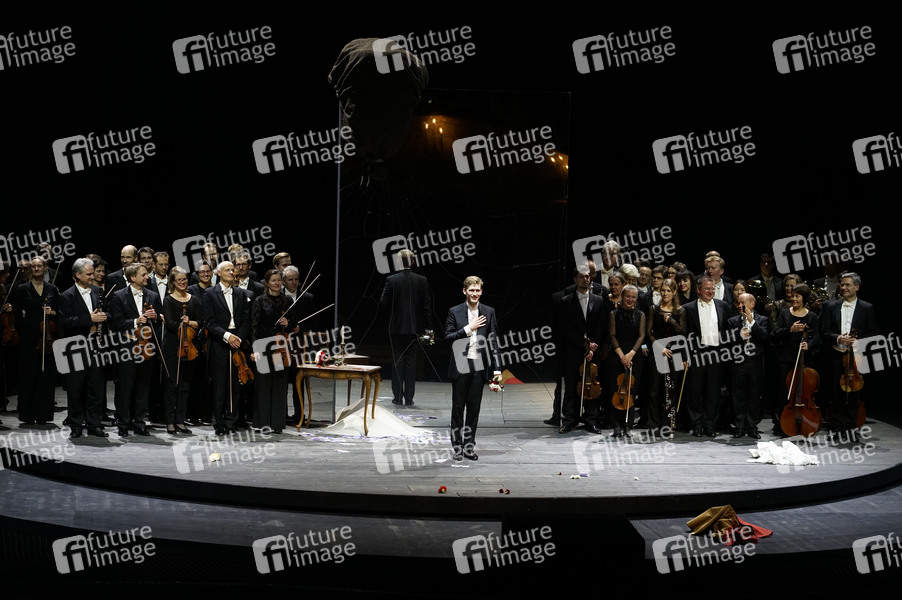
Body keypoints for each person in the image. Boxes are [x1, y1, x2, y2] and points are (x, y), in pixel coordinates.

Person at [444, 275, 502, 460]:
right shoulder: (454, 311)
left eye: (477, 290)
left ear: (481, 291)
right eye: (471, 290)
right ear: (465, 291)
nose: (475, 293)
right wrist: (468, 328)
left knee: (474, 409)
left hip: (479, 365)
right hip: (461, 364)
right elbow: (448, 337)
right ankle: (457, 447)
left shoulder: (489, 312)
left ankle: (469, 446)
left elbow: (493, 342)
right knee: (458, 409)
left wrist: (497, 369)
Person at [818, 272, 878, 442]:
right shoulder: (830, 306)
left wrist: (859, 341)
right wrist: (837, 338)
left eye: (847, 285)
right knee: (835, 393)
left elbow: (873, 333)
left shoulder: (867, 308)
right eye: (842, 284)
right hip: (836, 355)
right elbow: (823, 331)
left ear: (856, 287)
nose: (843, 287)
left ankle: (851, 428)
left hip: (857, 358)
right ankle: (836, 428)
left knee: (855, 393)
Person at [108, 262, 164, 436]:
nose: (147, 277)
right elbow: (116, 324)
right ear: (133, 278)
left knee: (143, 386)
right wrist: (135, 321)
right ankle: (123, 423)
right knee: (126, 387)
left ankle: (139, 422)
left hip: (146, 346)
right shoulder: (118, 296)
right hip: (127, 347)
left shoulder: (153, 296)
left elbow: (160, 321)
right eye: (143, 275)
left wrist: (156, 317)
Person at [57, 258, 110, 437]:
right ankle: (76, 425)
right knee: (76, 388)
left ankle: (94, 424)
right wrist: (89, 319)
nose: (92, 277)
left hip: (96, 345)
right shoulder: (67, 296)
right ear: (77, 275)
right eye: (88, 274)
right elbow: (65, 321)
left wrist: (103, 316)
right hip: (75, 347)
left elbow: (108, 312)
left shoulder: (98, 291)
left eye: (92, 273)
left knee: (96, 387)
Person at [203, 260, 251, 435]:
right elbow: (209, 323)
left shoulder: (240, 293)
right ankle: (220, 423)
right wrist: (227, 336)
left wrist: (238, 338)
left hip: (236, 341)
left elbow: (246, 320)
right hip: (220, 343)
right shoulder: (209, 294)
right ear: (219, 273)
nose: (232, 272)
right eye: (228, 270)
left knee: (235, 385)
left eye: (233, 269)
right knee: (220, 385)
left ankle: (231, 421)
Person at [557, 265, 607, 434]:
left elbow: (601, 325)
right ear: (575, 279)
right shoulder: (566, 301)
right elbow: (565, 328)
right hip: (573, 350)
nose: (586, 279)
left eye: (587, 276)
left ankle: (591, 421)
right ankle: (568, 421)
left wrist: (594, 346)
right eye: (581, 276)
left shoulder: (598, 300)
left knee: (591, 386)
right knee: (571, 386)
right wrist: (584, 344)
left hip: (593, 351)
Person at [381, 249, 432, 407]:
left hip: (396, 327)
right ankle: (409, 399)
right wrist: (429, 329)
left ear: (398, 262)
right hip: (415, 328)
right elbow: (427, 307)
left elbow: (383, 302)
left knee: (398, 360)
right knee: (411, 361)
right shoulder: (422, 280)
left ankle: (397, 398)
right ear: (413, 262)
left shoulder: (392, 279)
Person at [682, 275, 731, 437]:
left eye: (712, 288)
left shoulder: (723, 305)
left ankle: (710, 425)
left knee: (713, 392)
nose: (710, 291)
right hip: (697, 354)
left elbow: (727, 332)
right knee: (694, 391)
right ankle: (696, 425)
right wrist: (685, 356)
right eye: (707, 289)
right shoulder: (688, 308)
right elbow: (684, 335)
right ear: (698, 290)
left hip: (716, 354)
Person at [12, 256, 59, 426]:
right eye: (34, 266)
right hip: (28, 334)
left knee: (46, 374)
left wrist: (51, 312)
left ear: (45, 268)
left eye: (40, 266)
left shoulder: (52, 289)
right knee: (29, 374)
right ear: (31, 269)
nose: (37, 268)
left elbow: (59, 311)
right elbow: (17, 313)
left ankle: (43, 414)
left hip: (47, 335)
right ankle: (28, 414)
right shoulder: (22, 289)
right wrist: (22, 330)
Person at [772, 283, 821, 437]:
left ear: (804, 298)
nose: (794, 299)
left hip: (804, 359)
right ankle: (782, 423)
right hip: (785, 359)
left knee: (804, 392)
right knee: (784, 391)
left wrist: (809, 345)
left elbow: (816, 338)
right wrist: (790, 330)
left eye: (797, 296)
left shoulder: (811, 316)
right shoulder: (784, 314)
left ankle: (804, 421)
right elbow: (775, 333)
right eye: (792, 296)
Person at [161, 266, 203, 435]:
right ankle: (170, 421)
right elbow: (170, 324)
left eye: (184, 279)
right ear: (172, 282)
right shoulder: (168, 300)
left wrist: (190, 322)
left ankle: (180, 420)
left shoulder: (194, 300)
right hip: (173, 347)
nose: (182, 282)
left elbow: (201, 321)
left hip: (189, 347)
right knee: (172, 385)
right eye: (179, 280)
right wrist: (182, 323)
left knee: (185, 386)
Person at [250, 269, 293, 434]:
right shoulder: (260, 300)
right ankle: (263, 423)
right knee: (263, 386)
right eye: (273, 280)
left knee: (279, 386)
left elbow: (295, 322)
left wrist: (288, 323)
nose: (277, 283)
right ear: (267, 282)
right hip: (263, 347)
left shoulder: (287, 300)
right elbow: (254, 326)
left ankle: (277, 424)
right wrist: (254, 349)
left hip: (280, 347)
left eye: (279, 280)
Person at [725, 292, 769, 439]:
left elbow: (764, 337)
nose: (740, 306)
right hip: (738, 363)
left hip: (755, 363)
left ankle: (752, 426)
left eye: (743, 303)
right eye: (738, 303)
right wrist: (740, 335)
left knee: (754, 396)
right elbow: (729, 342)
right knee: (738, 396)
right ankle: (739, 426)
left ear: (752, 304)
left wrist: (752, 322)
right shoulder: (732, 321)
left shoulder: (762, 320)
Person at [645, 278, 685, 438]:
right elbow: (649, 332)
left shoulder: (680, 310)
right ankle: (653, 425)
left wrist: (672, 321)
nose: (665, 293)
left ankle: (668, 424)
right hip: (659, 352)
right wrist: (659, 347)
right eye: (663, 290)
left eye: (668, 290)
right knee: (655, 390)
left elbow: (682, 333)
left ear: (674, 292)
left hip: (675, 353)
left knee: (671, 390)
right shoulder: (654, 309)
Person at [607, 285, 646, 437]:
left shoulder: (640, 314)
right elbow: (612, 336)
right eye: (628, 296)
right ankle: (616, 425)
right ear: (622, 296)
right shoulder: (614, 313)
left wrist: (630, 354)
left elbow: (641, 336)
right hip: (617, 355)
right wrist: (622, 356)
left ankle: (628, 425)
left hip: (634, 355)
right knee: (615, 390)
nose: (630, 299)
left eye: (633, 297)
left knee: (631, 391)